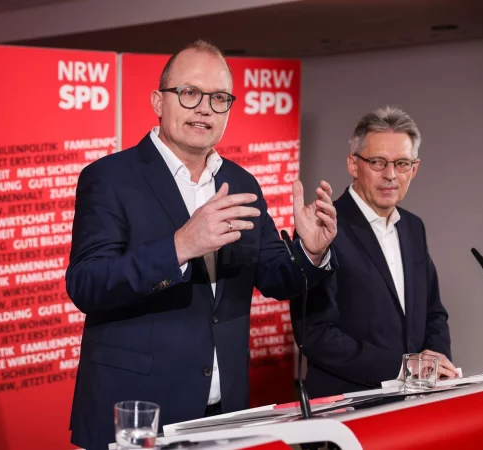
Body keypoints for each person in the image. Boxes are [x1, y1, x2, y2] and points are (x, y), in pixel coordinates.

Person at [65, 40, 338, 450]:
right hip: (138, 413)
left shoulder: (242, 183)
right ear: (159, 101)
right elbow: (86, 284)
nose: (204, 108)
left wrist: (311, 252)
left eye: (218, 98)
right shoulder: (109, 178)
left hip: (223, 412)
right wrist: (179, 246)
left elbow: (276, 278)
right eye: (190, 93)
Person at [292, 106, 455, 398]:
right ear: (353, 164)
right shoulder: (324, 228)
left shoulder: (414, 228)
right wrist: (400, 368)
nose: (391, 175)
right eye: (378, 162)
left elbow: (434, 312)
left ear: (414, 169)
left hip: (415, 401)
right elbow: (315, 334)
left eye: (402, 163)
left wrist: (435, 361)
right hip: (347, 409)